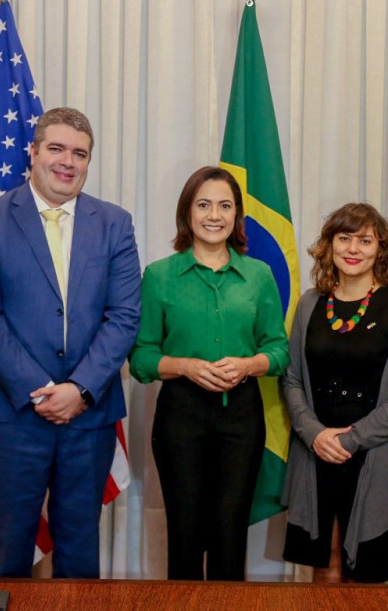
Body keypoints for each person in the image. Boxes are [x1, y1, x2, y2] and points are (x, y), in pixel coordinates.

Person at [0, 107, 141, 578]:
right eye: (56, 149)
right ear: (33, 153)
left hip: (89, 415)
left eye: (80, 153)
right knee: (8, 551)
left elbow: (123, 317)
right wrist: (42, 390)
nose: (68, 162)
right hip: (11, 414)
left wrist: (78, 390)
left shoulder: (114, 223)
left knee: (80, 554)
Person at [129, 166, 289, 581]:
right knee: (183, 536)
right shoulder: (159, 276)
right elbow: (142, 358)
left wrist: (249, 364)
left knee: (229, 537)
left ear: (237, 216)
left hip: (242, 417)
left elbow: (279, 349)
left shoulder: (258, 276)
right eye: (203, 205)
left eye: (225, 205)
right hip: (180, 417)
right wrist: (184, 366)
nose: (214, 215)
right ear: (187, 213)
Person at [281, 203, 388, 583]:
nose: (353, 248)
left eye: (365, 240)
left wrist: (352, 438)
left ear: (380, 249)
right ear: (329, 245)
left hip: (374, 456)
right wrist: (315, 434)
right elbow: (292, 379)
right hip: (315, 454)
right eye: (344, 238)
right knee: (323, 569)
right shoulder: (310, 303)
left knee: (366, 580)